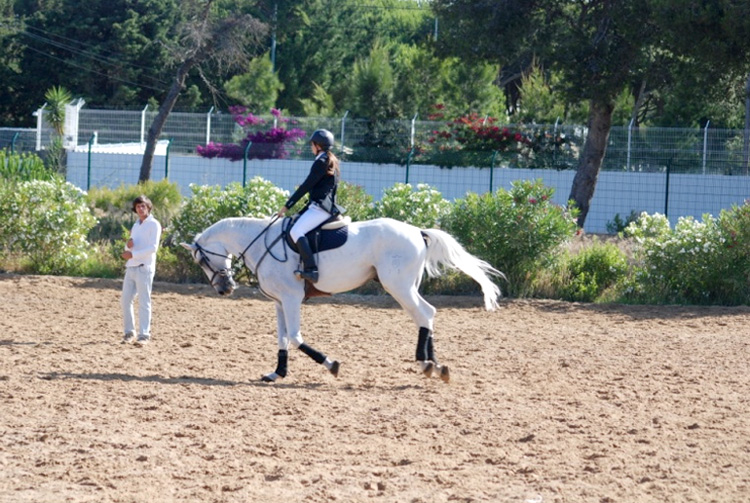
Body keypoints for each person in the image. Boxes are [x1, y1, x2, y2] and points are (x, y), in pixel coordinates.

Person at [277, 129, 341, 283]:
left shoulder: (321, 161)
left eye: (312, 144)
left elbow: (306, 186)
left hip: (320, 208)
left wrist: (287, 206)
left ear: (317, 145)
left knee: (296, 230)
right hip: (321, 206)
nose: (311, 147)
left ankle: (311, 270)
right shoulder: (330, 160)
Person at [121, 195, 162, 346]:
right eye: (138, 206)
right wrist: (128, 247)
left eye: (143, 206)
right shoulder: (136, 225)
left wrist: (133, 254)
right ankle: (129, 332)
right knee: (125, 301)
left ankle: (144, 334)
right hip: (131, 266)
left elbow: (153, 248)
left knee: (144, 301)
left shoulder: (154, 225)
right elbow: (131, 245)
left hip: (144, 268)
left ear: (148, 207)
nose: (140, 208)